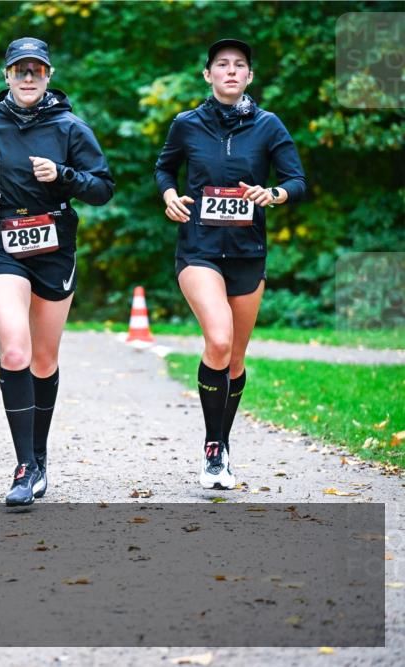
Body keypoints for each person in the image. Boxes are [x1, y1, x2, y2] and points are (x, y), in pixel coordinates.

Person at [0, 37, 114, 506]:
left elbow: (103, 188)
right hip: (0, 241)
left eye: (36, 71)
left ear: (49, 76)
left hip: (54, 247)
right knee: (15, 351)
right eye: (19, 70)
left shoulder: (70, 127)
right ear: (6, 76)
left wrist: (64, 176)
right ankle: (24, 467)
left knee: (44, 360)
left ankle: (38, 456)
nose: (27, 78)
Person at [154, 39, 306, 490]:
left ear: (250, 77)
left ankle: (221, 445)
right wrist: (169, 196)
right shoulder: (187, 124)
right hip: (199, 249)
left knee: (235, 359)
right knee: (217, 340)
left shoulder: (268, 126)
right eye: (222, 65)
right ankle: (213, 449)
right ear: (208, 75)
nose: (231, 71)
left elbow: (296, 180)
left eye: (240, 65)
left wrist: (273, 194)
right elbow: (165, 169)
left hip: (247, 252)